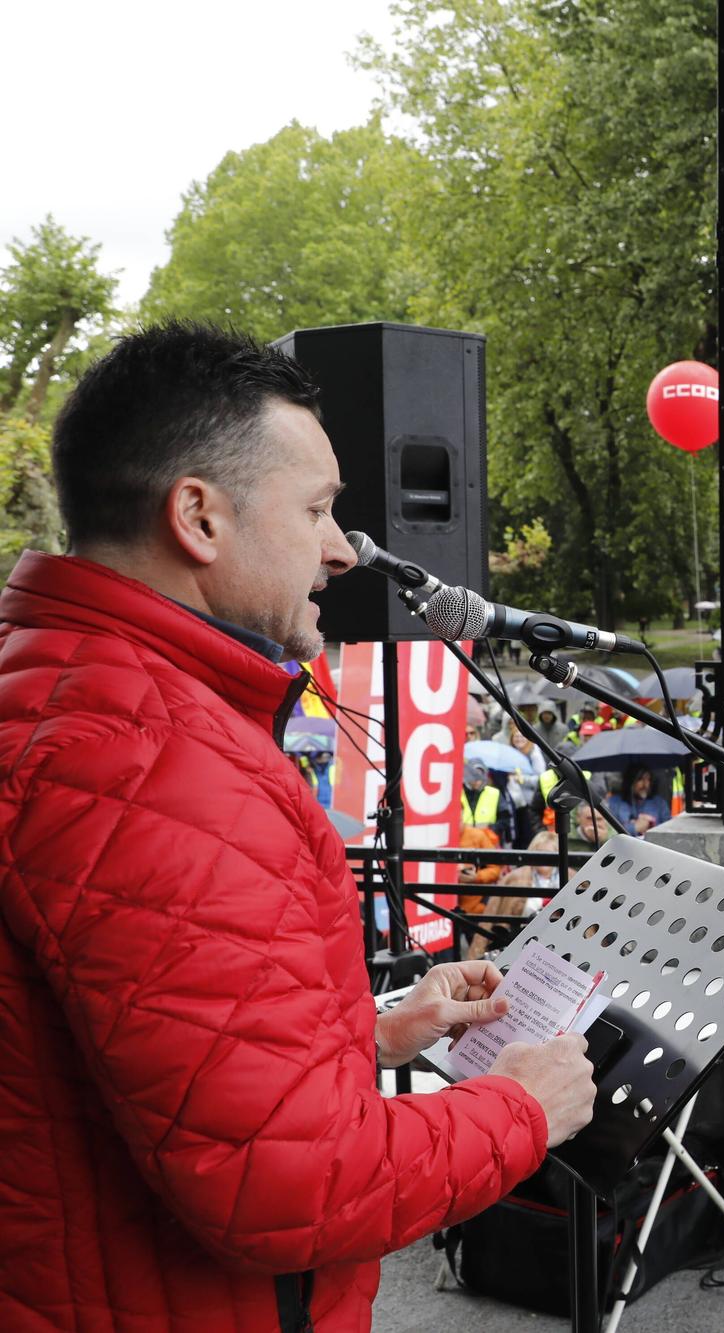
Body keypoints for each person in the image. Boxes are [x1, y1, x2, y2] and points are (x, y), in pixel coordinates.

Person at [0, 322, 595, 1331]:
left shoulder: (65, 692)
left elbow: (118, 1050)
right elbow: (287, 1191)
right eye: (317, 508)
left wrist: (361, 1031)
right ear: (198, 515)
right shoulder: (160, 764)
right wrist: (520, 1109)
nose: (340, 549)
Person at [605, 763, 671, 834]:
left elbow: (669, 829)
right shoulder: (615, 803)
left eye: (648, 779)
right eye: (640, 779)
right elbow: (609, 831)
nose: (645, 784)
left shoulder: (659, 803)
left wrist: (651, 826)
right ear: (630, 781)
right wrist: (634, 828)